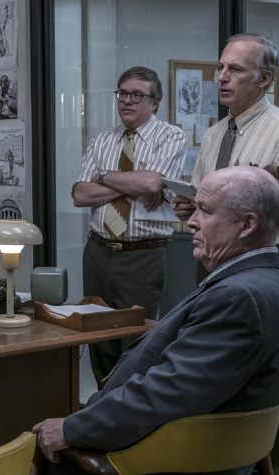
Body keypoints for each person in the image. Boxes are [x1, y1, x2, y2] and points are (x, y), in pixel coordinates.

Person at [33, 167, 279, 475]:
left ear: (247, 224)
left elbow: (162, 396)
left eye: (204, 211)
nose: (190, 220)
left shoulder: (240, 297)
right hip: (219, 453)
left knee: (28, 443)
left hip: (157, 458)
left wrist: (71, 429)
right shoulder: (277, 283)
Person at [172, 33, 279, 475]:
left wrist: (247, 206)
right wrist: (192, 205)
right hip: (213, 266)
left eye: (234, 70)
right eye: (220, 68)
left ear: (265, 79)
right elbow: (209, 199)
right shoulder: (217, 132)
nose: (221, 78)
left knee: (272, 385)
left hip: (259, 271)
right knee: (215, 372)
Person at [72, 66, 186, 391]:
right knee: (98, 338)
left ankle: (128, 413)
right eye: (122, 93)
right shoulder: (102, 140)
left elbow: (152, 182)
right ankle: (102, 408)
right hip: (97, 251)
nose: (127, 101)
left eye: (137, 95)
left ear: (155, 102)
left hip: (142, 256)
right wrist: (132, 185)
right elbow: (80, 194)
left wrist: (103, 177)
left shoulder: (170, 136)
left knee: (135, 343)